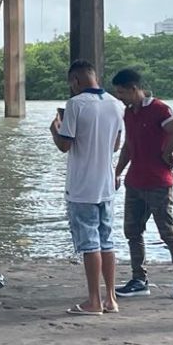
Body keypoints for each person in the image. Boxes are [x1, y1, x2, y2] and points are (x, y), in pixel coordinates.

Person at [111, 68, 173, 300]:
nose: (120, 97)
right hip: (135, 181)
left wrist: (166, 152)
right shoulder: (129, 113)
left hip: (158, 181)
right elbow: (128, 145)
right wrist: (118, 171)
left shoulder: (159, 109)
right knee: (132, 231)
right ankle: (139, 279)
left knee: (167, 230)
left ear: (134, 89)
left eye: (122, 92)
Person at [50, 60, 124, 316]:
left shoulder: (75, 104)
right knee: (107, 240)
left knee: (90, 243)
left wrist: (55, 130)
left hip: (82, 186)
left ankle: (93, 300)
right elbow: (116, 145)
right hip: (106, 185)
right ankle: (111, 298)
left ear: (75, 81)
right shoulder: (117, 105)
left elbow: (65, 145)